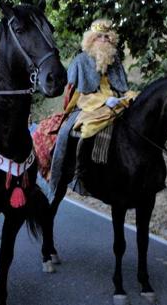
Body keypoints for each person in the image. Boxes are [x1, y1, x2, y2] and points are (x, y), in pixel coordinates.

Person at [48, 19, 137, 198]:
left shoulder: (115, 61)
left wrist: (122, 97)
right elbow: (73, 94)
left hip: (117, 101)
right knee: (84, 130)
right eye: (99, 37)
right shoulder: (80, 61)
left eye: (107, 37)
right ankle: (75, 172)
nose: (103, 40)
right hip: (87, 105)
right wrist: (102, 101)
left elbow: (122, 86)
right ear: (91, 39)